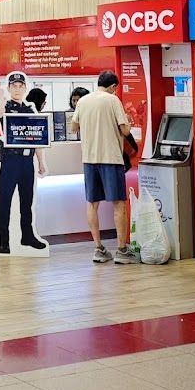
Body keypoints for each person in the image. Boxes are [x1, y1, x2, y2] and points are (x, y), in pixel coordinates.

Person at [71, 70, 136, 264]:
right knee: (119, 204)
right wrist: (129, 125)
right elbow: (124, 130)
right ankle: (122, 250)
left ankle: (98, 249)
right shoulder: (112, 100)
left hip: (89, 159)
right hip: (111, 158)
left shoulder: (83, 101)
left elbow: (74, 127)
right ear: (113, 86)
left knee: (92, 203)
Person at [0, 71, 48, 255]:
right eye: (13, 86)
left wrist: (41, 162)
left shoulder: (30, 109)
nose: (17, 89)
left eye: (20, 86)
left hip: (27, 162)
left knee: (27, 201)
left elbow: (37, 137)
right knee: (5, 201)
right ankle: (4, 240)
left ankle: (27, 236)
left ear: (25, 88)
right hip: (10, 161)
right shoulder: (6, 107)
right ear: (9, 88)